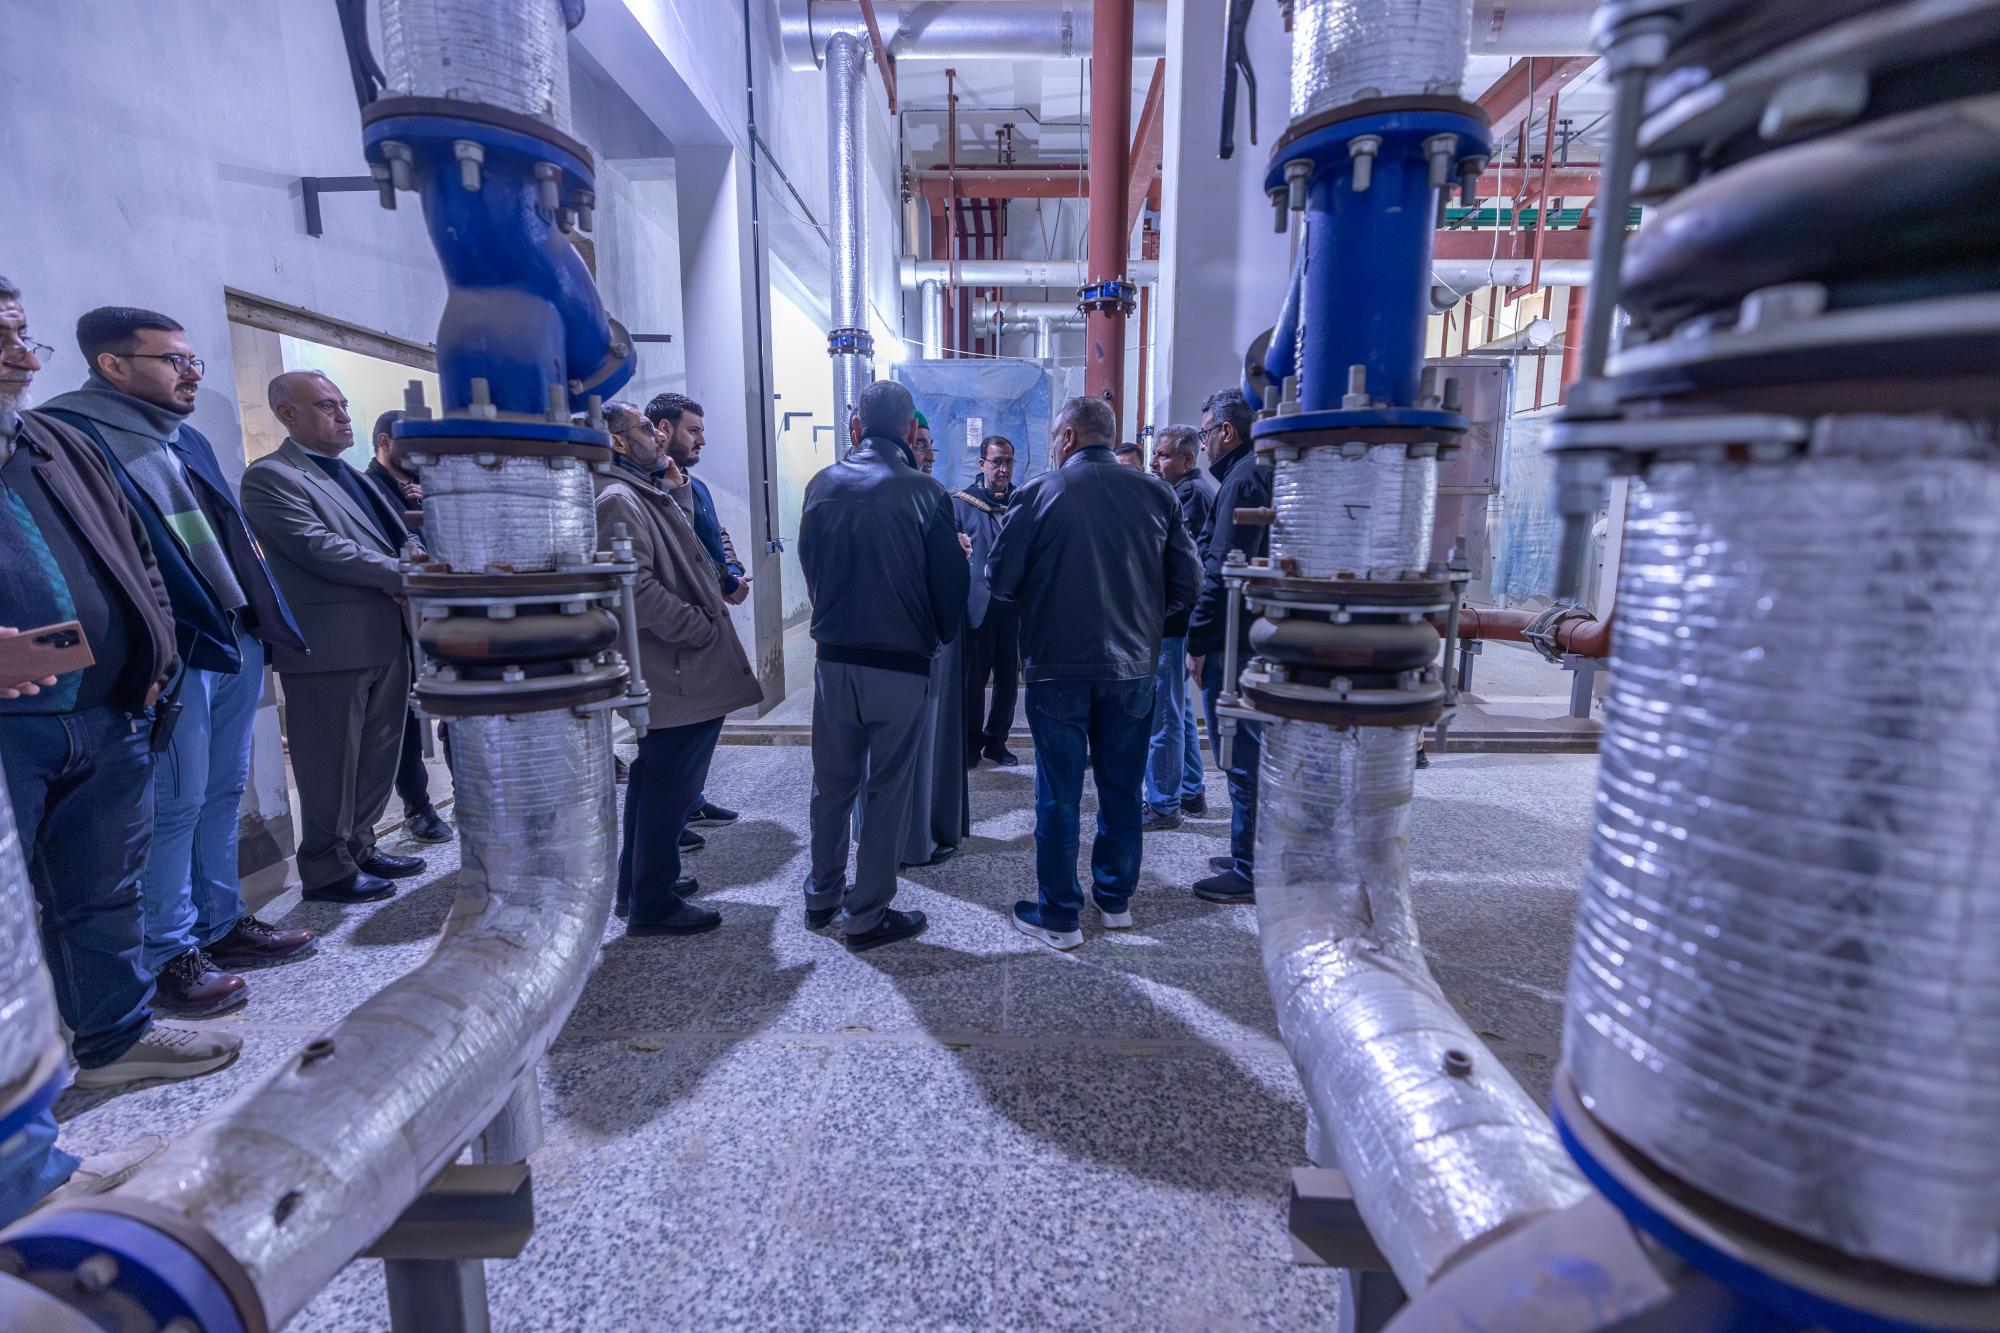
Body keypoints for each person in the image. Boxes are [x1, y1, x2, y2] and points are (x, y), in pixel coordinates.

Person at [0, 277, 240, 1102]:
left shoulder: (54, 443)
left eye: (22, 333)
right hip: (13, 728)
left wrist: (155, 652)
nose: (22, 356)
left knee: (100, 891)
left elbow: (137, 552)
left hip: (105, 714)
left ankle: (115, 1038)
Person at [42, 308, 318, 1016]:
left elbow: (221, 535)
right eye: (173, 360)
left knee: (223, 790)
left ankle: (220, 922)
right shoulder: (69, 435)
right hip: (170, 647)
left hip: (229, 632)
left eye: (193, 359)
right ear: (112, 365)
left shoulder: (183, 436)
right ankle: (168, 952)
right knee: (173, 804)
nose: (191, 373)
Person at [988, 396, 1201, 950]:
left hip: (1056, 667)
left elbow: (1001, 579)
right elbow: (1188, 583)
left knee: (1058, 794)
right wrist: (1146, 625)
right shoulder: (1157, 493)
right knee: (1123, 787)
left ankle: (1060, 914)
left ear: (1066, 438)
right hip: (1132, 668)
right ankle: (1115, 901)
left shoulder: (1038, 493)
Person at [242, 372, 425, 905]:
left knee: (379, 755)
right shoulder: (271, 477)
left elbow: (397, 538)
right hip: (330, 644)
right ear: (287, 413)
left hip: (387, 635)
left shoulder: (350, 474)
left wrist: (419, 561)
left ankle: (360, 846)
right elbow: (318, 546)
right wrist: (409, 575)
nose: (344, 416)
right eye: (327, 406)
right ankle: (326, 869)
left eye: (343, 404)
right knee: (330, 764)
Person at [798, 381, 967, 952]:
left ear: (855, 427)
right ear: (910, 431)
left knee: (831, 785)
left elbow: (811, 567)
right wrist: (938, 636)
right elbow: (949, 587)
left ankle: (821, 895)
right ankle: (867, 914)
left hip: (833, 659)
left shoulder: (822, 484)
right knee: (887, 789)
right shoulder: (926, 492)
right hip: (900, 662)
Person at [598, 403, 762, 937]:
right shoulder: (618, 499)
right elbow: (633, 590)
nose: (658, 435)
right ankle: (653, 903)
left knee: (656, 780)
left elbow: (695, 543)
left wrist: (677, 490)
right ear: (619, 442)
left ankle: (639, 887)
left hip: (678, 664)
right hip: (673, 666)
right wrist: (696, 626)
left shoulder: (645, 490)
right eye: (646, 428)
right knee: (668, 787)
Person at [1185, 388, 1271, 905]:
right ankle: (1250, 853)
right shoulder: (1256, 470)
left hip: (1234, 641)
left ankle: (1251, 867)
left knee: (1240, 754)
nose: (1202, 446)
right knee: (1248, 753)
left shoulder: (1242, 479)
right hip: (1255, 634)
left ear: (1226, 431)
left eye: (1204, 434)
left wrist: (1198, 639)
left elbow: (1221, 573)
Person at [644, 392, 741, 845]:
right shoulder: (646, 491)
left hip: (707, 616)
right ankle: (666, 827)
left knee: (704, 722)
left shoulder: (695, 485)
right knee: (671, 738)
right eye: (694, 431)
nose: (701, 440)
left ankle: (691, 800)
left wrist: (732, 574)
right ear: (663, 430)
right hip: (677, 631)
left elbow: (715, 535)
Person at [882, 409, 968, 868]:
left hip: (857, 646)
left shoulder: (831, 487)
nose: (927, 455)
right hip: (917, 639)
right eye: (920, 445)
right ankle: (912, 840)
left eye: (930, 447)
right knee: (911, 744)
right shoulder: (922, 494)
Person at [362, 409, 452, 844]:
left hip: (444, 613)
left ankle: (468, 792)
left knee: (456, 706)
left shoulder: (430, 487)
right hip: (398, 618)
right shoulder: (366, 488)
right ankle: (417, 806)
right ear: (385, 442)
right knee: (405, 721)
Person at [1140, 424, 1217, 830]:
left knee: (1164, 715)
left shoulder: (1189, 496)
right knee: (1179, 708)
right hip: (1176, 620)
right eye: (1155, 454)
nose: (1155, 462)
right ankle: (1189, 790)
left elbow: (1184, 568)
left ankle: (1164, 804)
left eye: (1164, 455)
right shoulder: (1188, 491)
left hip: (1172, 622)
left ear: (1188, 459)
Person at [953, 435, 1019, 766]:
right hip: (976, 605)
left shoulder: (1022, 502)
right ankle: (969, 744)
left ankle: (997, 742)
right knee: (973, 681)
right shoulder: (961, 503)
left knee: (1008, 680)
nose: (1003, 469)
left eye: (1008, 462)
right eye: (997, 462)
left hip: (1012, 604)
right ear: (982, 464)